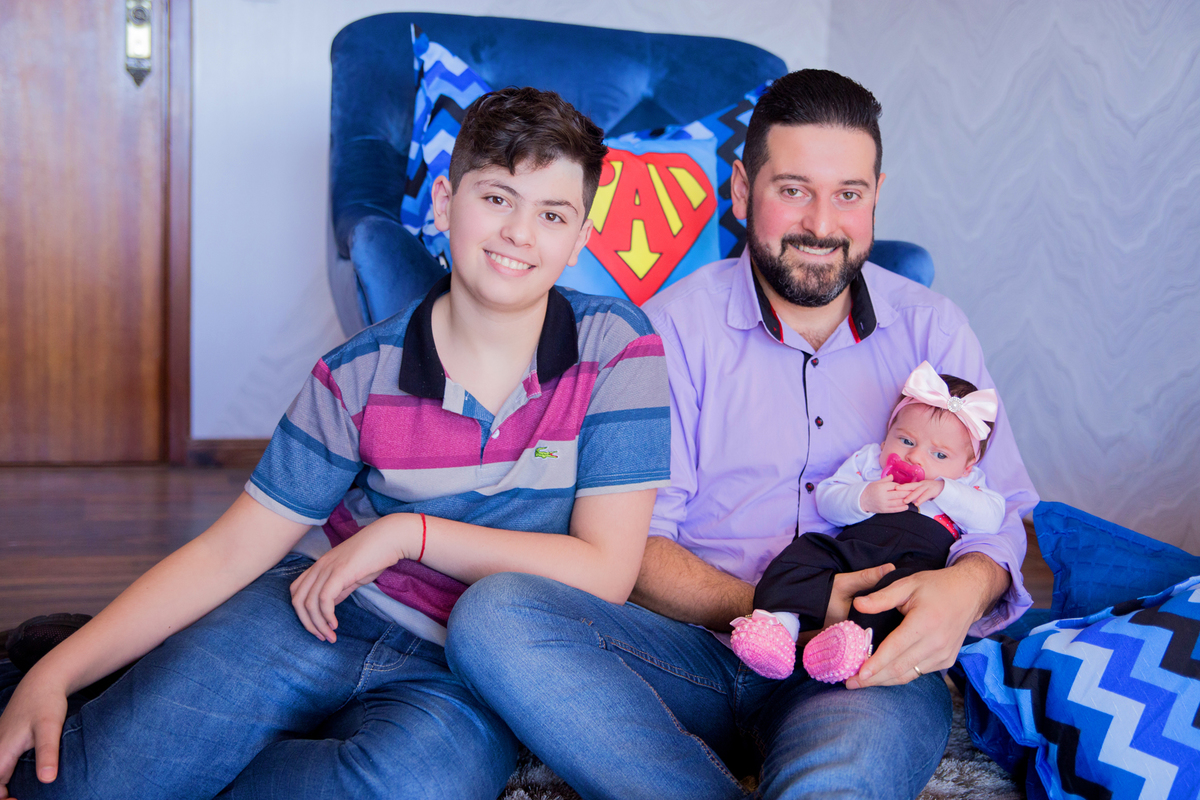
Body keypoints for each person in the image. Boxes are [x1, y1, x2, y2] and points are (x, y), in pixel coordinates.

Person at [0, 87, 672, 800]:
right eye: (497, 198)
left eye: (552, 214)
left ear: (580, 238)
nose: (519, 233)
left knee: (412, 787)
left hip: (463, 672)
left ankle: (173, 725)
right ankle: (89, 673)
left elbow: (606, 572)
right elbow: (230, 551)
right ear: (445, 203)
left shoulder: (618, 348)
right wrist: (54, 675)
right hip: (315, 613)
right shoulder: (355, 373)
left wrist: (410, 534)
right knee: (83, 783)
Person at [445, 69, 1039, 800]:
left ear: (876, 195)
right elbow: (637, 548)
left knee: (836, 782)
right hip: (687, 652)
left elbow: (1002, 508)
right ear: (740, 189)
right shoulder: (667, 330)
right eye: (793, 189)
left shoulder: (934, 328)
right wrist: (788, 601)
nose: (821, 224)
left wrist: (966, 588)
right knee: (494, 615)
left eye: (848, 194)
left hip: (856, 656)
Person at [731, 362, 1006, 681]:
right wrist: (864, 497)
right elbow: (828, 498)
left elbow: (991, 519)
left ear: (968, 465)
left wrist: (945, 490)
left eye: (940, 455)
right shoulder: (870, 460)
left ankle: (852, 647)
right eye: (906, 441)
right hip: (858, 545)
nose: (915, 457)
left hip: (918, 561)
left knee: (900, 597)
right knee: (806, 553)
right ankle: (779, 626)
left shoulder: (968, 484)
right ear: (888, 434)